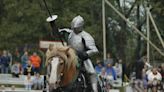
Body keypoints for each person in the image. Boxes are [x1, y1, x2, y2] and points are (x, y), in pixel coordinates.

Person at [58, 15, 99, 92]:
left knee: (92, 72)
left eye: (76, 28)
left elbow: (94, 49)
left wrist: (85, 54)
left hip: (82, 58)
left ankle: (95, 89)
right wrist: (53, 26)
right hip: (69, 56)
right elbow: (56, 33)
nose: (74, 29)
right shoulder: (69, 33)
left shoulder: (86, 36)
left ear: (80, 27)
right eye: (73, 28)